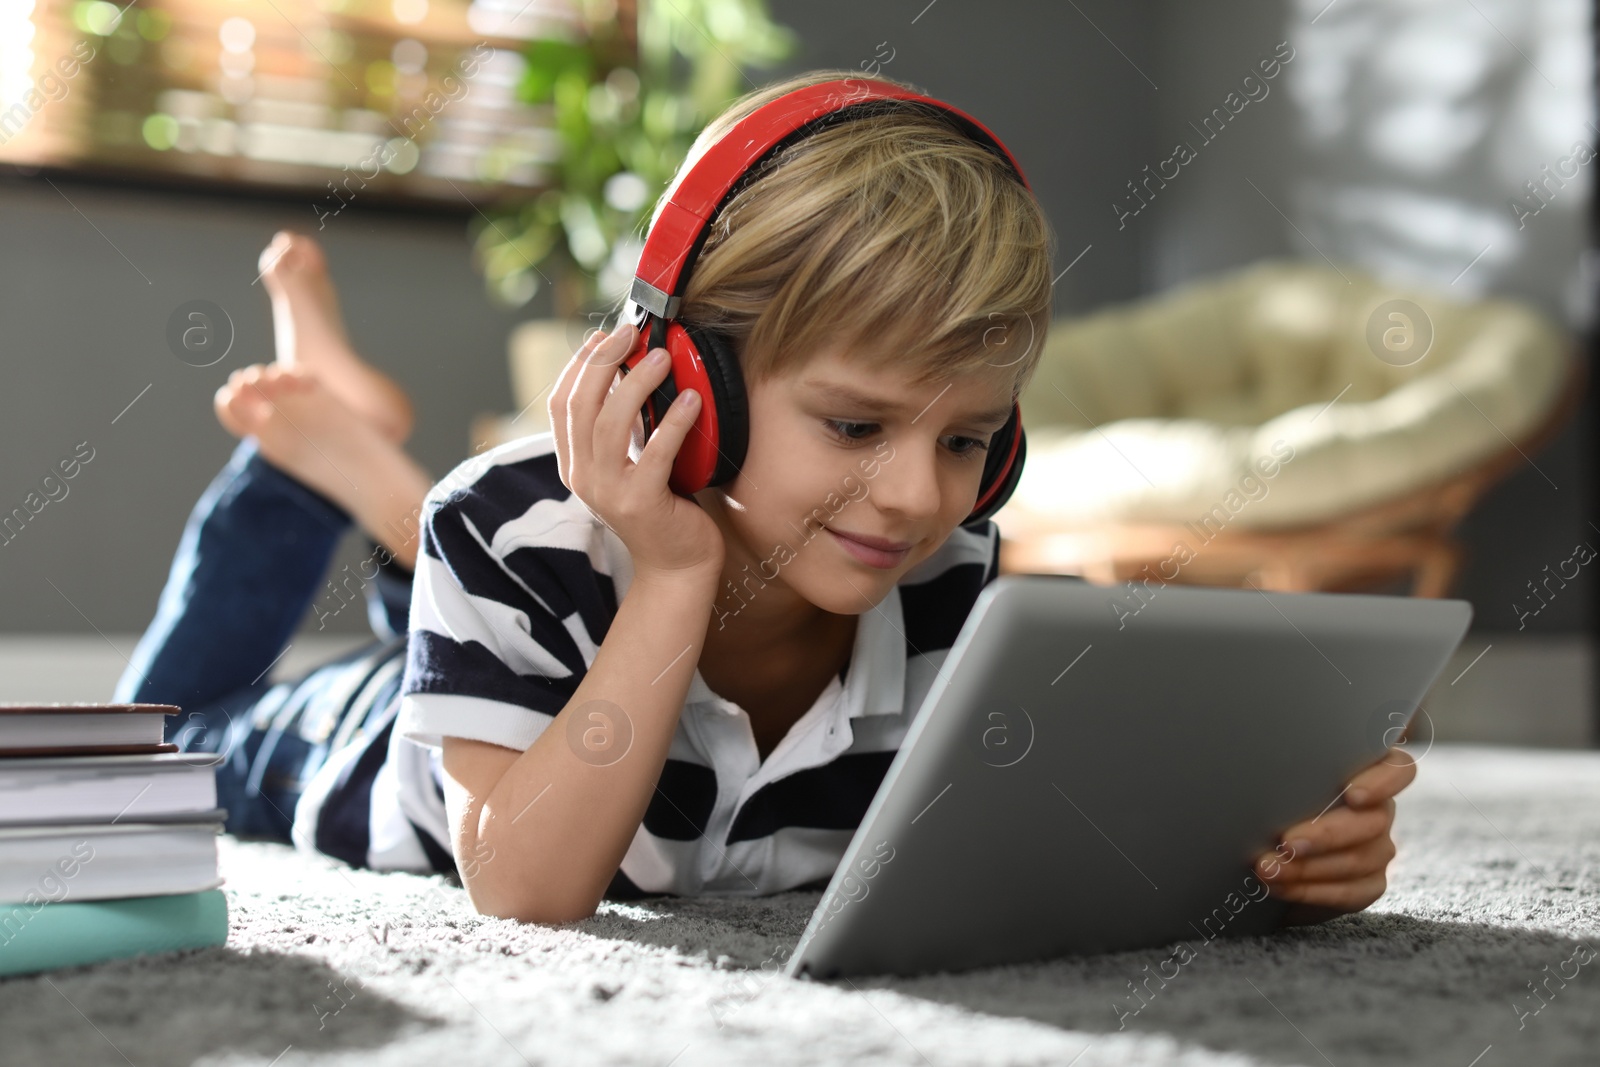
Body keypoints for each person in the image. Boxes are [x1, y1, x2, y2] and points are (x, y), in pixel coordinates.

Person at [118, 67, 1414, 929]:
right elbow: (522, 889)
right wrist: (677, 574)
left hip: (550, 596)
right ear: (692, 380)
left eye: (968, 438)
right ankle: (302, 466)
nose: (917, 496)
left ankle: (371, 479)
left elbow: (1072, 842)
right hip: (363, 739)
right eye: (854, 424)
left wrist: (1277, 862)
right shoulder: (512, 529)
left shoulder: (954, 575)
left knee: (499, 584)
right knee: (155, 742)